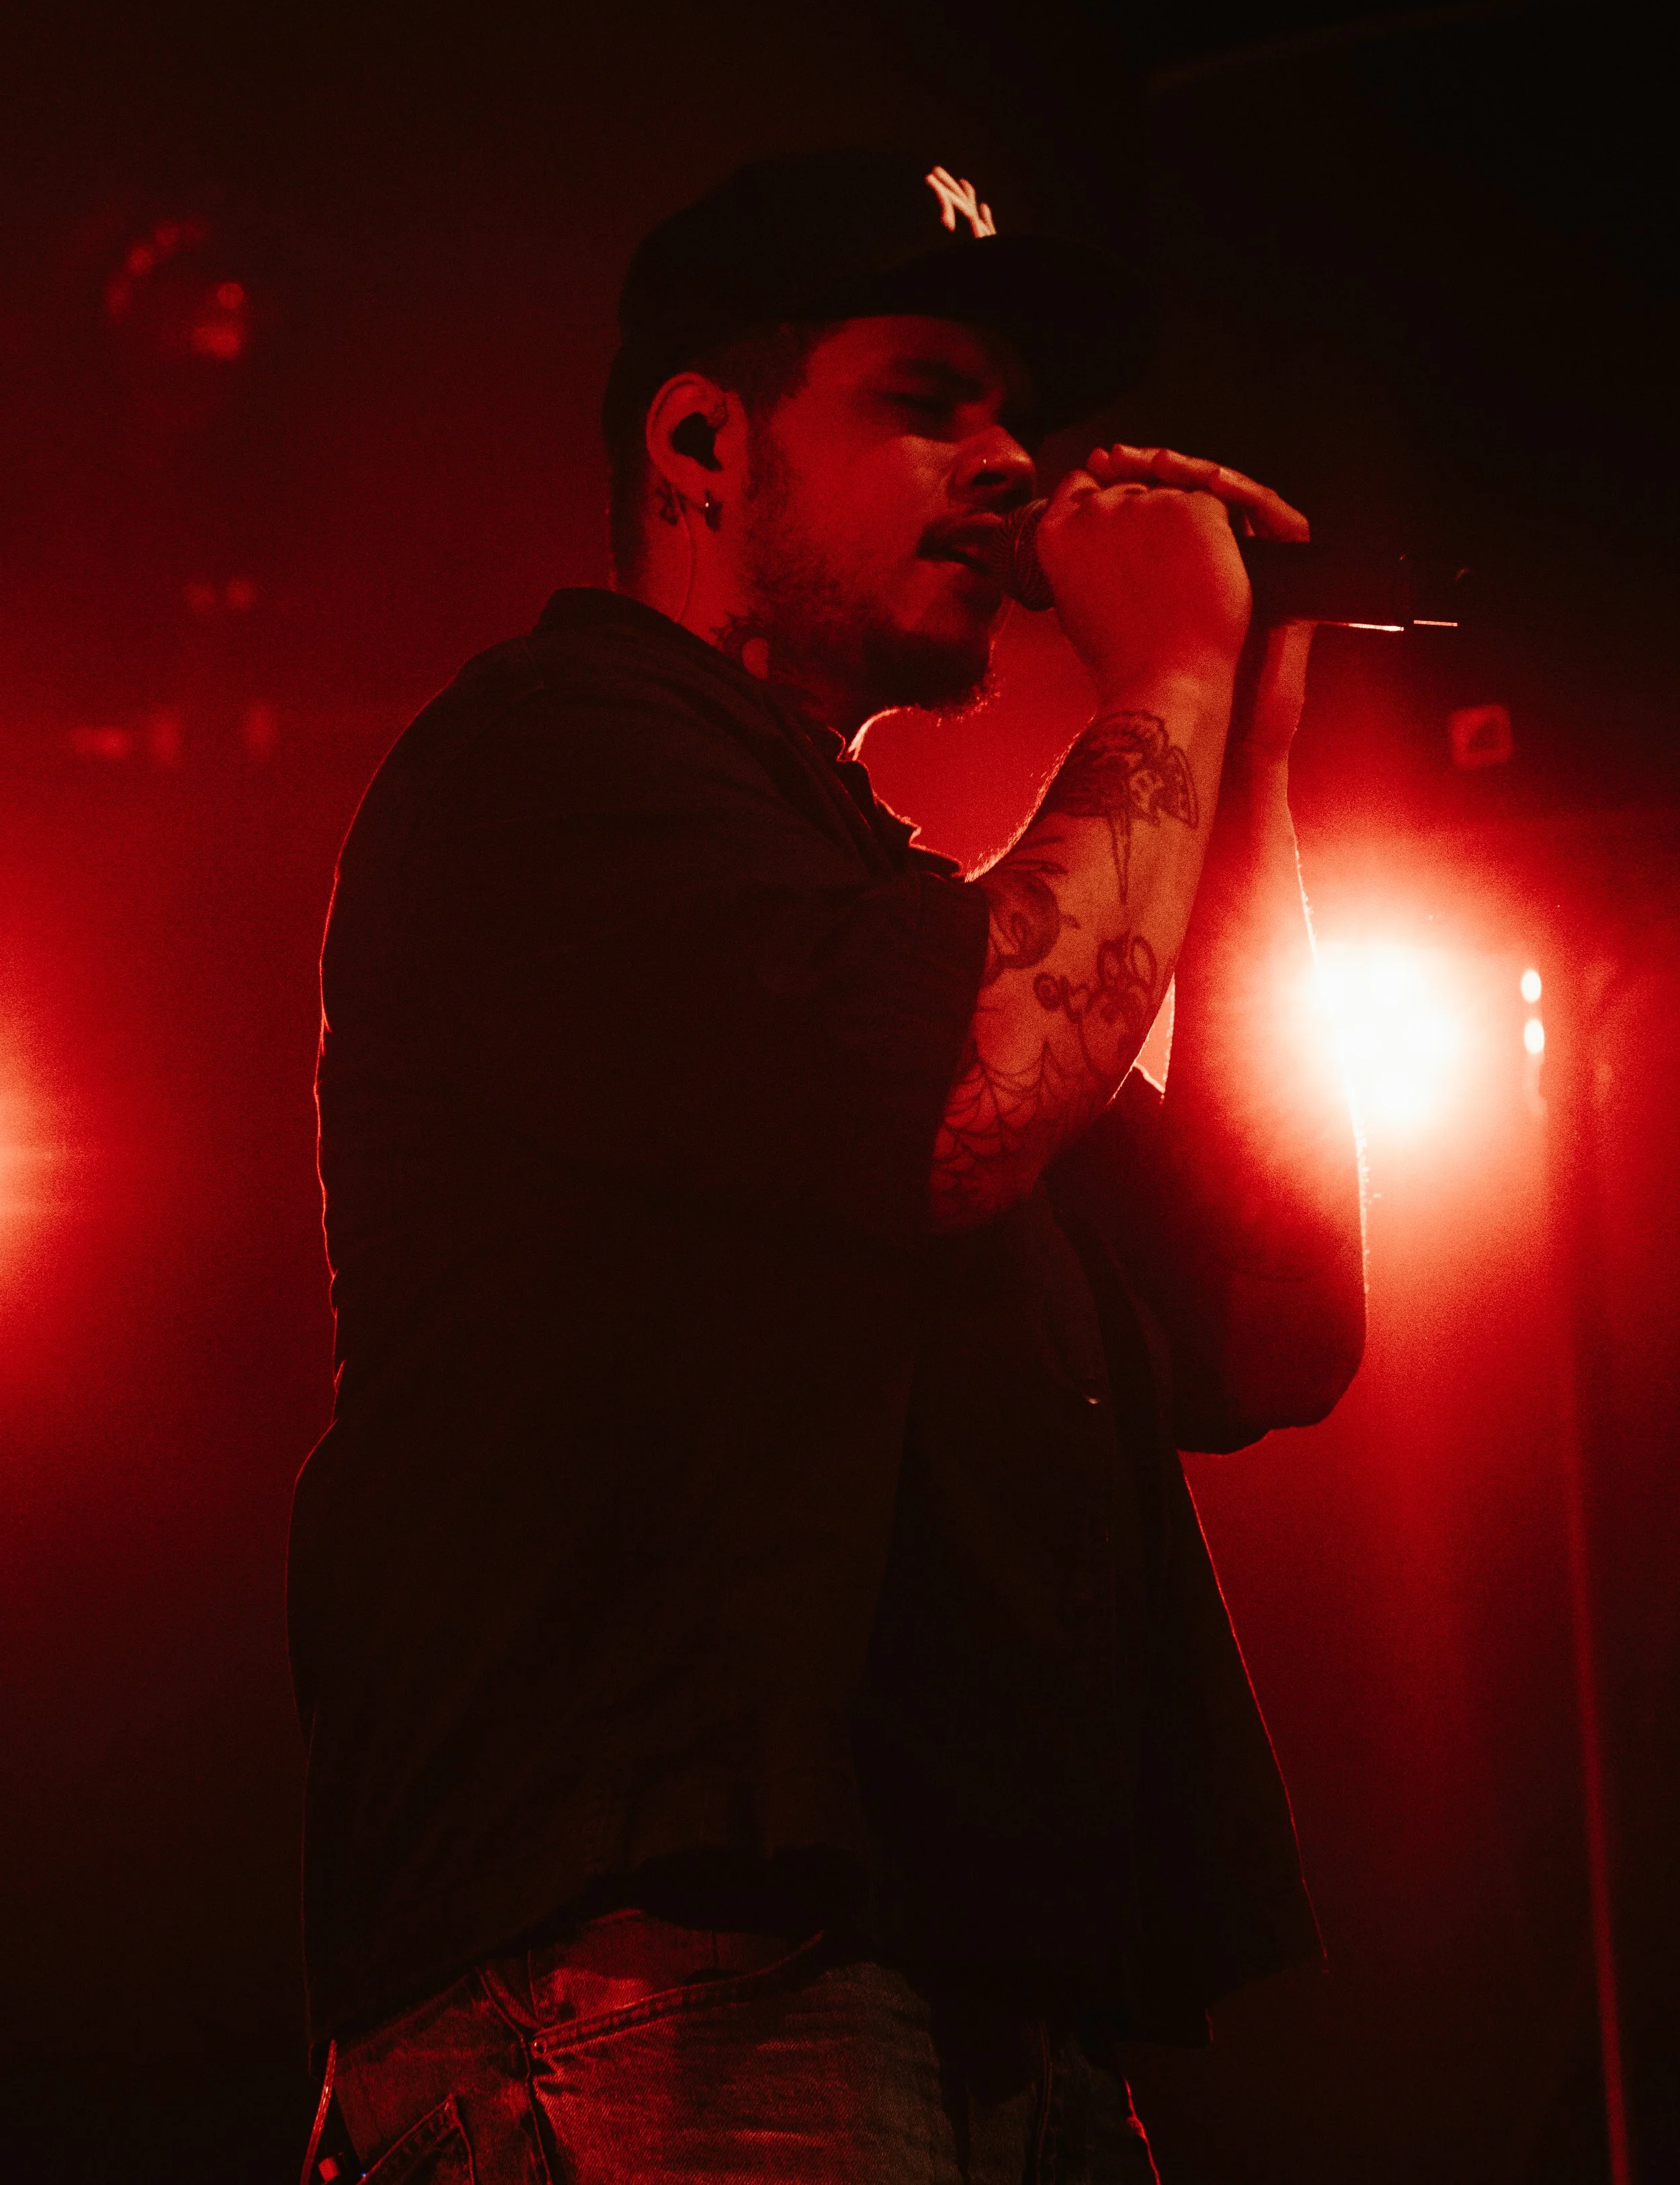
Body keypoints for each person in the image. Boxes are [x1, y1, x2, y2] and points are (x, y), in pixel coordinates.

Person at [288, 151, 1365, 2184]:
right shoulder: (546, 759)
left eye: (1013, 414)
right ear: (701, 440)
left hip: (982, 2001)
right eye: (926, 397)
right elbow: (968, 1101)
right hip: (654, 1994)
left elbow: (1278, 1308)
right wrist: (1164, 681)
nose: (1008, 461)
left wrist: (1256, 756)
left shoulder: (877, 911)